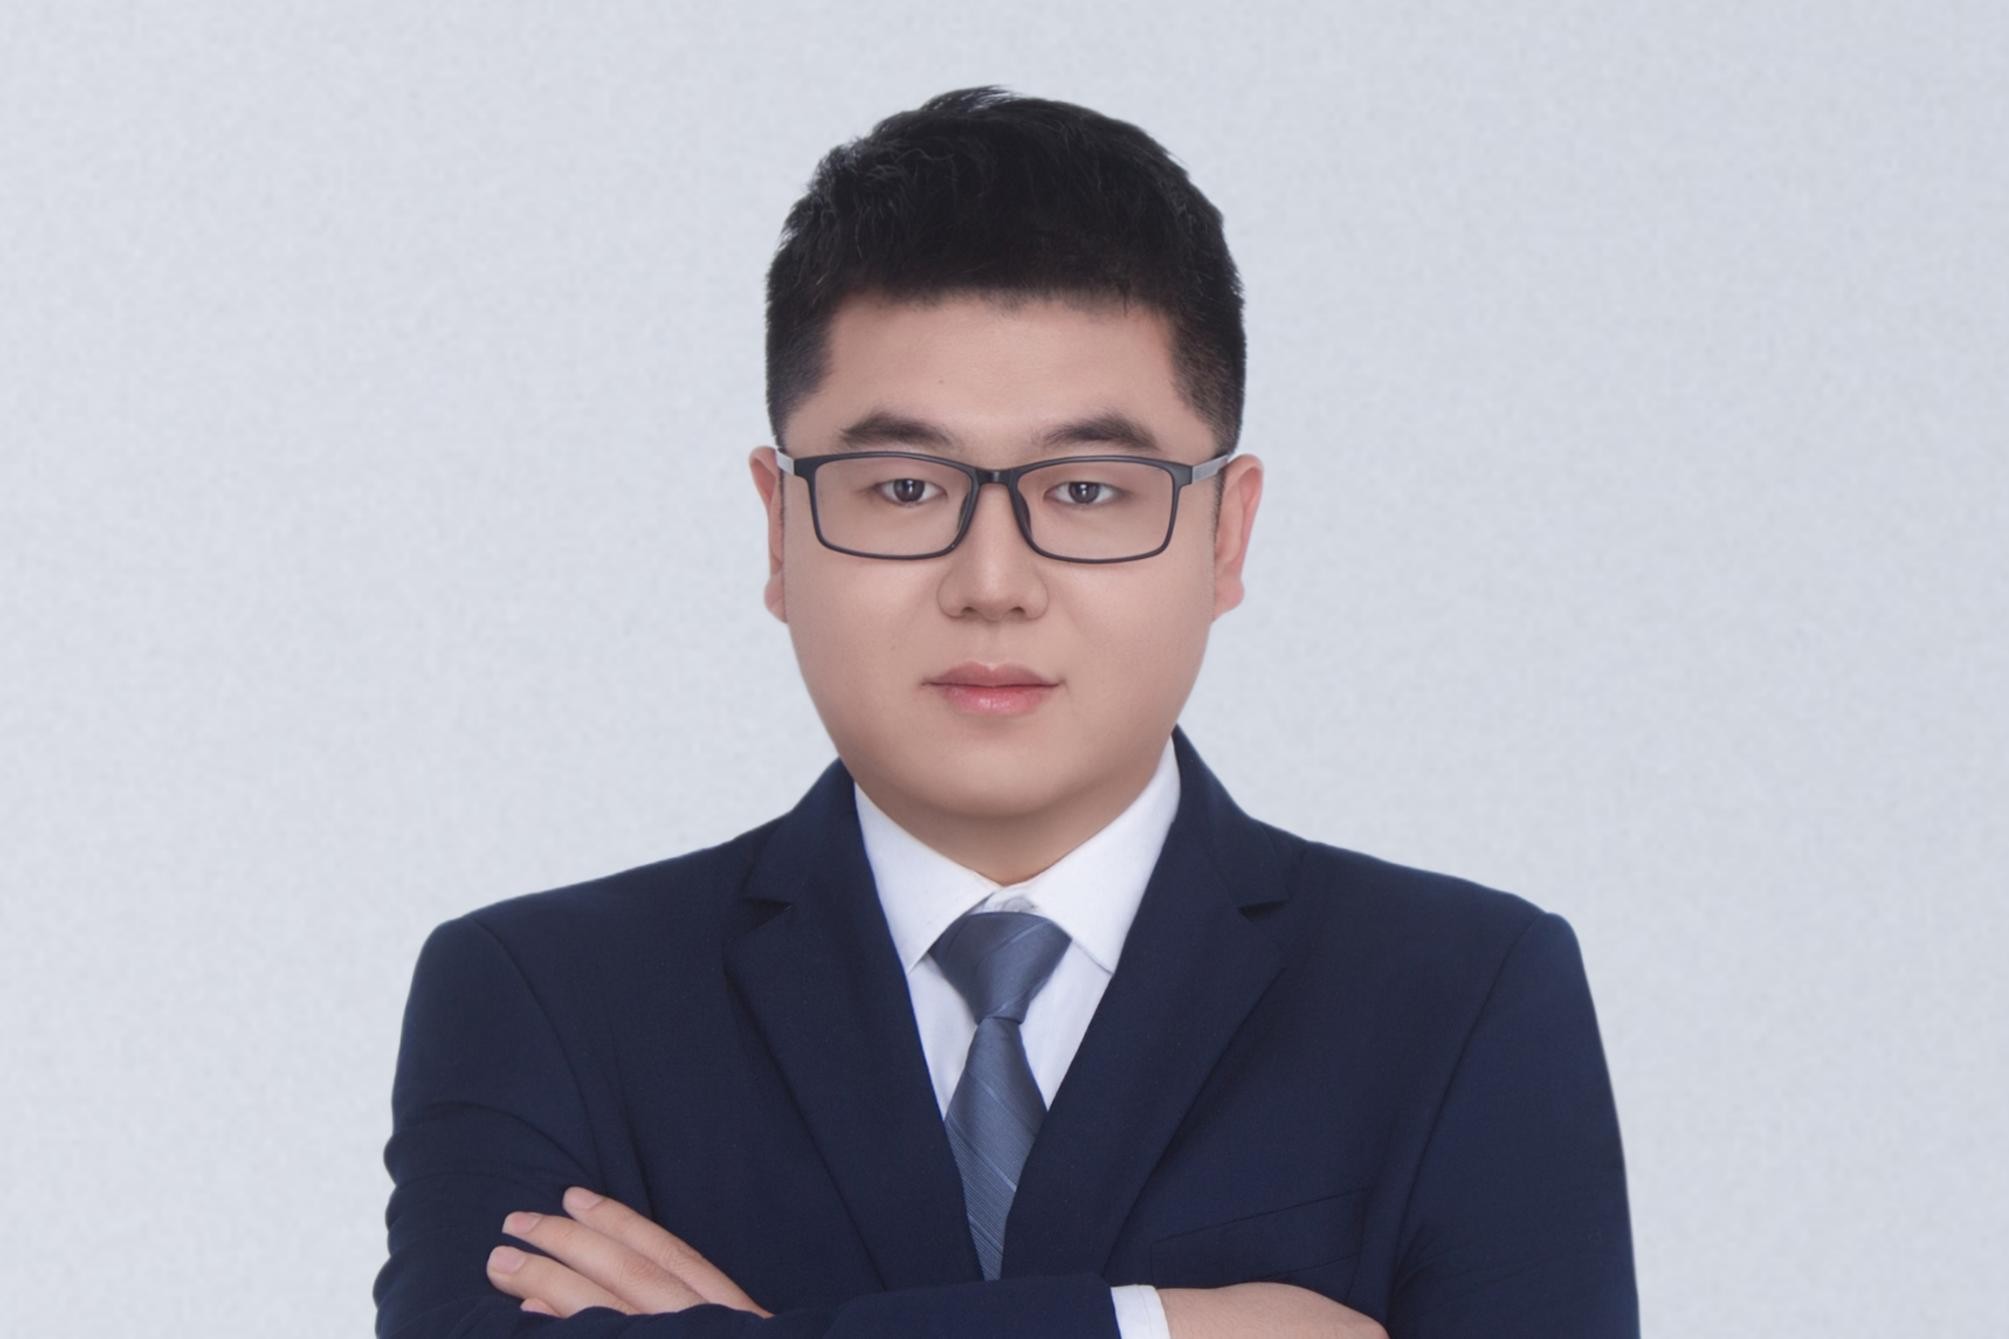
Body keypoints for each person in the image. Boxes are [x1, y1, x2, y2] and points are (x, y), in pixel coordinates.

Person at [373, 87, 1638, 1339]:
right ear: (778, 529)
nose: (991, 582)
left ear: (1225, 533)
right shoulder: (547, 996)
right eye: (903, 487)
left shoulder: (1460, 996)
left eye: (1086, 489)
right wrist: (1151, 1328)